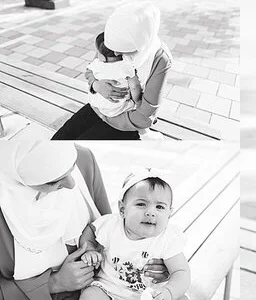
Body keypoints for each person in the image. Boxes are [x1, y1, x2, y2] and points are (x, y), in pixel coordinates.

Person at [0, 137, 169, 300]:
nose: (72, 184)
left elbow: (116, 230)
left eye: (71, 168)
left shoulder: (82, 158)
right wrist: (54, 283)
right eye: (54, 181)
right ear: (18, 179)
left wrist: (151, 264)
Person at [52, 3, 172, 140]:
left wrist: (106, 116)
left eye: (121, 48)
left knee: (79, 148)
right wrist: (96, 85)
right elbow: (92, 69)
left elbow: (144, 115)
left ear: (138, 41)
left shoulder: (159, 59)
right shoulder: (115, 34)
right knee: (59, 139)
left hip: (128, 120)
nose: (114, 52)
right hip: (100, 106)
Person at [77, 168, 190, 300]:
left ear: (169, 214)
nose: (150, 212)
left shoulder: (167, 238)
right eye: (141, 204)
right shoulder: (112, 225)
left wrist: (169, 292)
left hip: (153, 295)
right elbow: (91, 230)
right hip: (109, 290)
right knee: (90, 295)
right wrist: (89, 248)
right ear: (122, 209)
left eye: (159, 207)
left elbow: (181, 272)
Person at [88, 32, 141, 120]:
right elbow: (135, 86)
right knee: (132, 105)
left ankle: (101, 116)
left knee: (92, 97)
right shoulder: (126, 66)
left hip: (98, 104)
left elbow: (88, 72)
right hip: (118, 108)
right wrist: (138, 102)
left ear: (103, 57)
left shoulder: (96, 64)